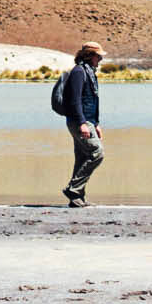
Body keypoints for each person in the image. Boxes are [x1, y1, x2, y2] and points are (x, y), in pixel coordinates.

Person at [59, 42, 104, 207]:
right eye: (98, 56)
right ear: (89, 55)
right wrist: (82, 123)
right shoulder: (79, 72)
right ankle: (74, 189)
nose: (100, 59)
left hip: (88, 121)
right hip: (80, 122)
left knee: (82, 158)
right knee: (97, 152)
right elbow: (75, 100)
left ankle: (77, 198)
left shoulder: (89, 72)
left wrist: (96, 123)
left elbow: (93, 100)